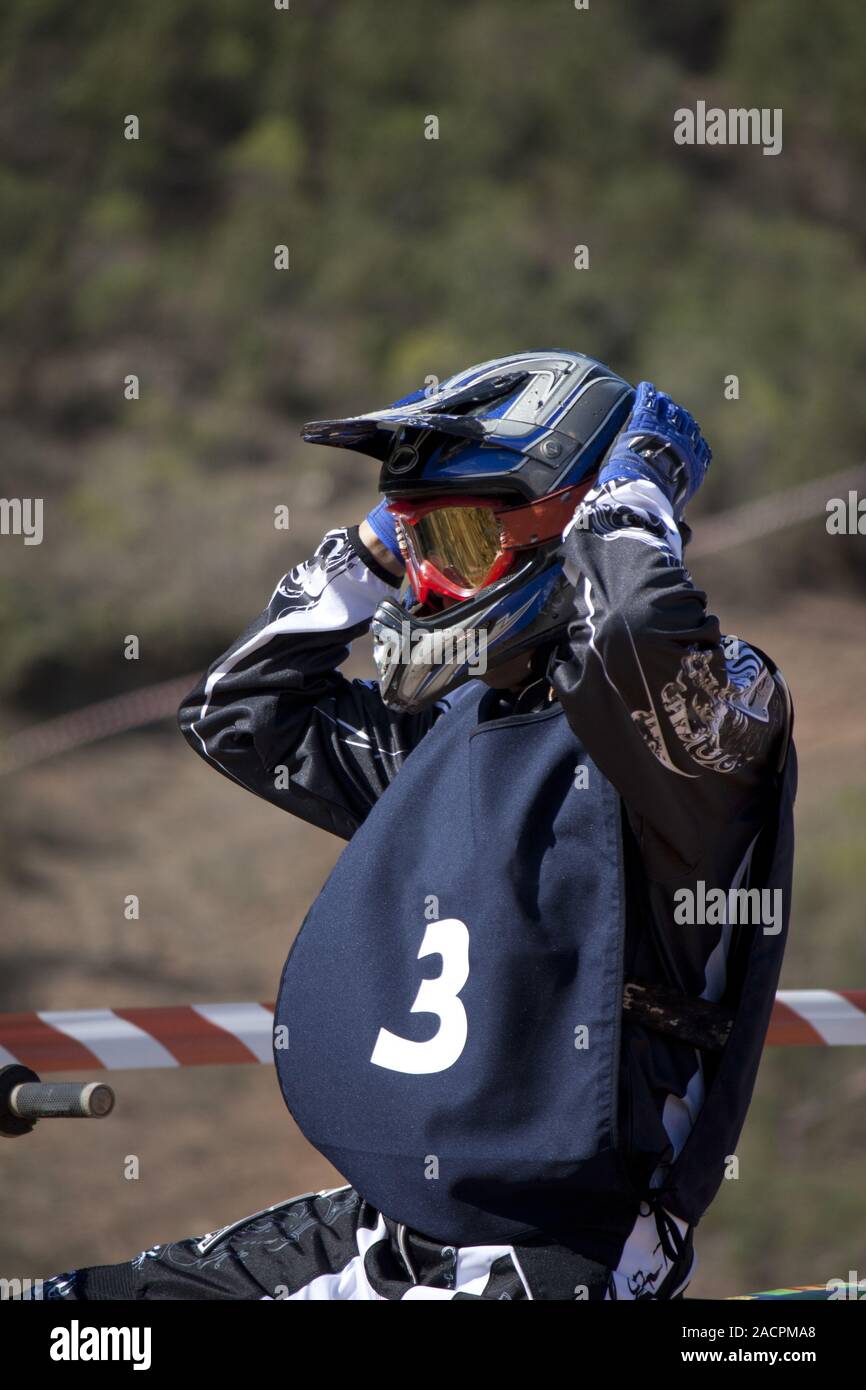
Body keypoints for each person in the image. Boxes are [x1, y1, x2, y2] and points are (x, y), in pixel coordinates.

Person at [38, 351, 795, 1301]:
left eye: (466, 541)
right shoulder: (454, 732)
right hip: (389, 1221)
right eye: (415, 545)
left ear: (574, 523)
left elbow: (640, 633)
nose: (428, 587)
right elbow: (239, 712)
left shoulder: (706, 727)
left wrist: (630, 487)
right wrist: (370, 548)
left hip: (558, 1248)